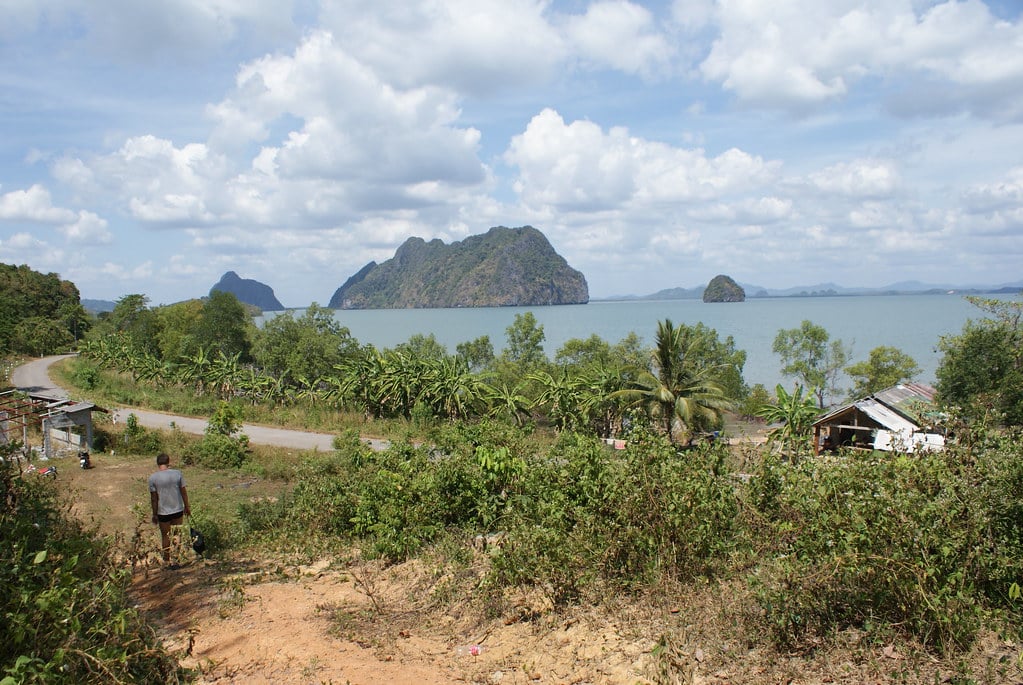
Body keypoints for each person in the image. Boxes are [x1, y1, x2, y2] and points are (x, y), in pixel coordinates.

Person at [148, 453, 191, 567]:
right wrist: (187, 506)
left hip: (163, 512)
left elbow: (154, 498)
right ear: (168, 462)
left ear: (158, 463)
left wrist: (154, 514)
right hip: (177, 509)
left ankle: (166, 560)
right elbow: (183, 492)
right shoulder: (177, 474)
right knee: (177, 533)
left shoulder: (153, 478)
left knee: (165, 536)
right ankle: (176, 559)